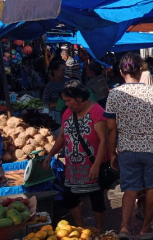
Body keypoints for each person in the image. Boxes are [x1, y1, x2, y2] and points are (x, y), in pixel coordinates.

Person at [105, 52, 153, 240]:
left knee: (130, 188)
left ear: (121, 72)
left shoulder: (114, 95)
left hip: (127, 149)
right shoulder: (152, 92)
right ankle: (145, 229)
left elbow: (111, 129)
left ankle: (124, 228)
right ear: (140, 70)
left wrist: (112, 153)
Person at [43, 80, 108, 231]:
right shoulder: (68, 113)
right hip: (73, 168)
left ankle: (100, 230)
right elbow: (62, 138)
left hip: (92, 165)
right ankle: (82, 228)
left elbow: (104, 140)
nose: (67, 104)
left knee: (96, 198)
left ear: (79, 98)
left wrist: (97, 165)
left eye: (68, 100)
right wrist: (50, 155)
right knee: (69, 198)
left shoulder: (97, 111)